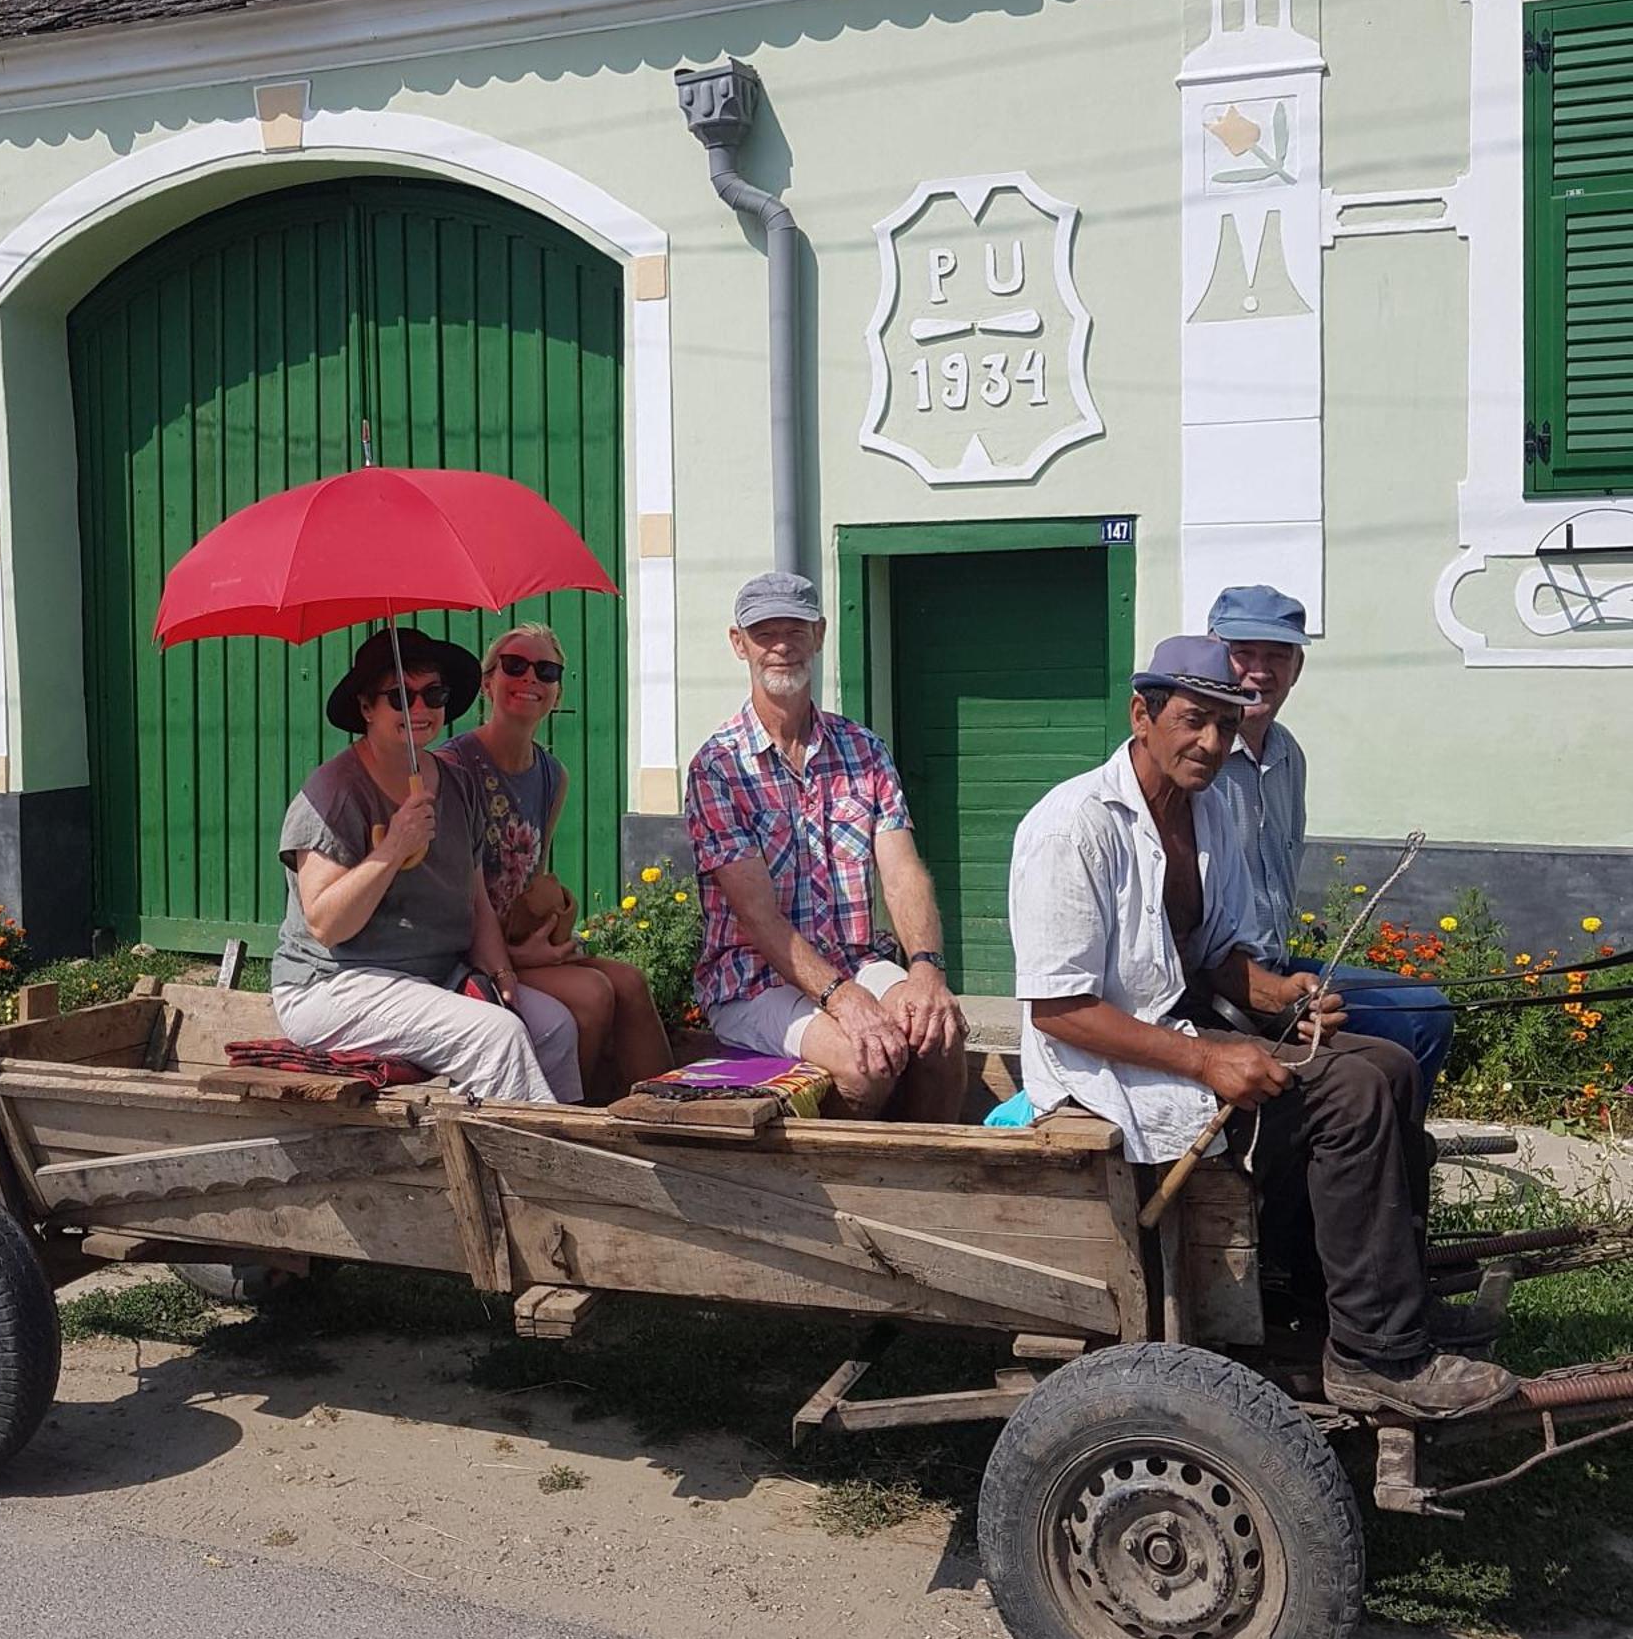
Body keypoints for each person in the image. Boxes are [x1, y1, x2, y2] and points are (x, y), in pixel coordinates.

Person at [1007, 635, 1516, 1418]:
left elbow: (1214, 958)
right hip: (1103, 1062)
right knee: (1347, 1095)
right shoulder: (1073, 827)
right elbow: (1061, 1009)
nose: (1211, 743)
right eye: (1192, 721)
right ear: (1141, 715)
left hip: (1182, 1030)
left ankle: (1367, 1303)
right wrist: (1207, 1063)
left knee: (1390, 1066)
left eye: (1223, 724)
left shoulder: (1207, 813)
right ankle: (1376, 1356)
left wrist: (1282, 994)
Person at [684, 570, 968, 1120]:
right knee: (865, 1062)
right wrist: (844, 1000)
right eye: (765, 632)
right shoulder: (718, 767)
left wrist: (927, 970)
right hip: (750, 980)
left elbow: (903, 871)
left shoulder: (863, 748)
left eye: (795, 629)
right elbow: (759, 919)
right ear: (738, 643)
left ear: (819, 635)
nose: (782, 646)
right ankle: (840, 1199)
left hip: (855, 959)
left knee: (941, 1032)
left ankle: (929, 1191)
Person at [269, 626, 582, 1105]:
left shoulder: (456, 783)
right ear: (366, 708)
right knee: (495, 1036)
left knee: (554, 1026)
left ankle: (555, 1142)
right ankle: (538, 1169)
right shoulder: (332, 793)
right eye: (400, 696)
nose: (419, 709)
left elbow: (474, 895)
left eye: (433, 694)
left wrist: (501, 972)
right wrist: (393, 847)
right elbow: (326, 925)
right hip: (334, 985)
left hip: (433, 975)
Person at [1205, 584, 1455, 1110]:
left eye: (1278, 656)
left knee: (1427, 1010)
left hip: (1280, 963)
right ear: (1213, 657)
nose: (1260, 671)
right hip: (1219, 980)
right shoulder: (1197, 759)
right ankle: (1344, 1158)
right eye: (1242, 654)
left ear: (1297, 668)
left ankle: (1399, 1156)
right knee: (1390, 1051)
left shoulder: (1287, 753)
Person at [435, 622, 673, 1100]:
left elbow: (532, 876)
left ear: (558, 689)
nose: (530, 680)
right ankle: (568, 1122)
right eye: (514, 666)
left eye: (546, 670)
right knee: (592, 994)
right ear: (487, 683)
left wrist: (548, 936)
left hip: (522, 941)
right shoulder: (453, 768)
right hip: (465, 951)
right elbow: (451, 892)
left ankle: (673, 1115)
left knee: (630, 980)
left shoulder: (551, 775)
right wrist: (513, 957)